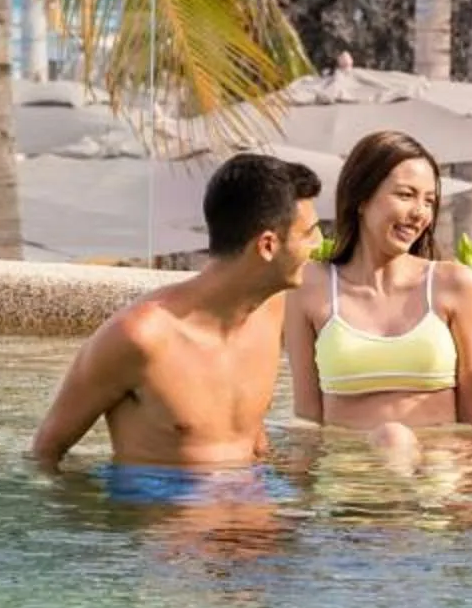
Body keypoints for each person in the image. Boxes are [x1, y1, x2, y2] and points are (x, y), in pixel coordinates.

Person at [31, 152, 321, 501]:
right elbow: (46, 452)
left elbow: (248, 435)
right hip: (171, 532)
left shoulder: (272, 311)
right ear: (268, 245)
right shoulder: (141, 337)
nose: (317, 247)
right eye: (309, 234)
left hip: (251, 507)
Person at [289, 130, 472, 473]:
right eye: (406, 195)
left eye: (429, 200)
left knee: (394, 438)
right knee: (391, 438)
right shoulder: (310, 287)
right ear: (362, 198)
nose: (420, 213)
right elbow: (308, 420)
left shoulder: (454, 285)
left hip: (435, 473)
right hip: (348, 474)